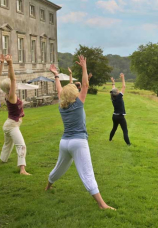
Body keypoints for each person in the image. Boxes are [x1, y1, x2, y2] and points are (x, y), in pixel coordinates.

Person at [46, 56, 114, 210]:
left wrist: (56, 74)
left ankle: (48, 186)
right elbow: (85, 84)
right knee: (87, 173)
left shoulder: (61, 105)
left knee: (58, 168)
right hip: (78, 142)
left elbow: (59, 89)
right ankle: (102, 205)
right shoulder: (78, 103)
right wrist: (84, 66)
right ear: (74, 95)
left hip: (65, 143)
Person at [0, 55, 30, 175]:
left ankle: (3, 159)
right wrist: (10, 63)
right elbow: (12, 79)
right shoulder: (11, 96)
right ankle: (22, 169)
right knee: (21, 146)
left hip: (8, 124)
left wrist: (7, 64)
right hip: (12, 125)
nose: (15, 85)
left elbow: (9, 78)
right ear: (10, 87)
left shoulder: (8, 94)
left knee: (8, 144)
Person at [109, 74, 131, 145]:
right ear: (117, 92)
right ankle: (128, 144)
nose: (119, 91)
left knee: (114, 128)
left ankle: (110, 139)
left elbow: (113, 90)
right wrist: (123, 78)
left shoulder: (113, 97)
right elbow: (124, 86)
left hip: (114, 116)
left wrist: (113, 82)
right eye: (118, 90)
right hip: (120, 117)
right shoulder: (119, 97)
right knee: (125, 131)